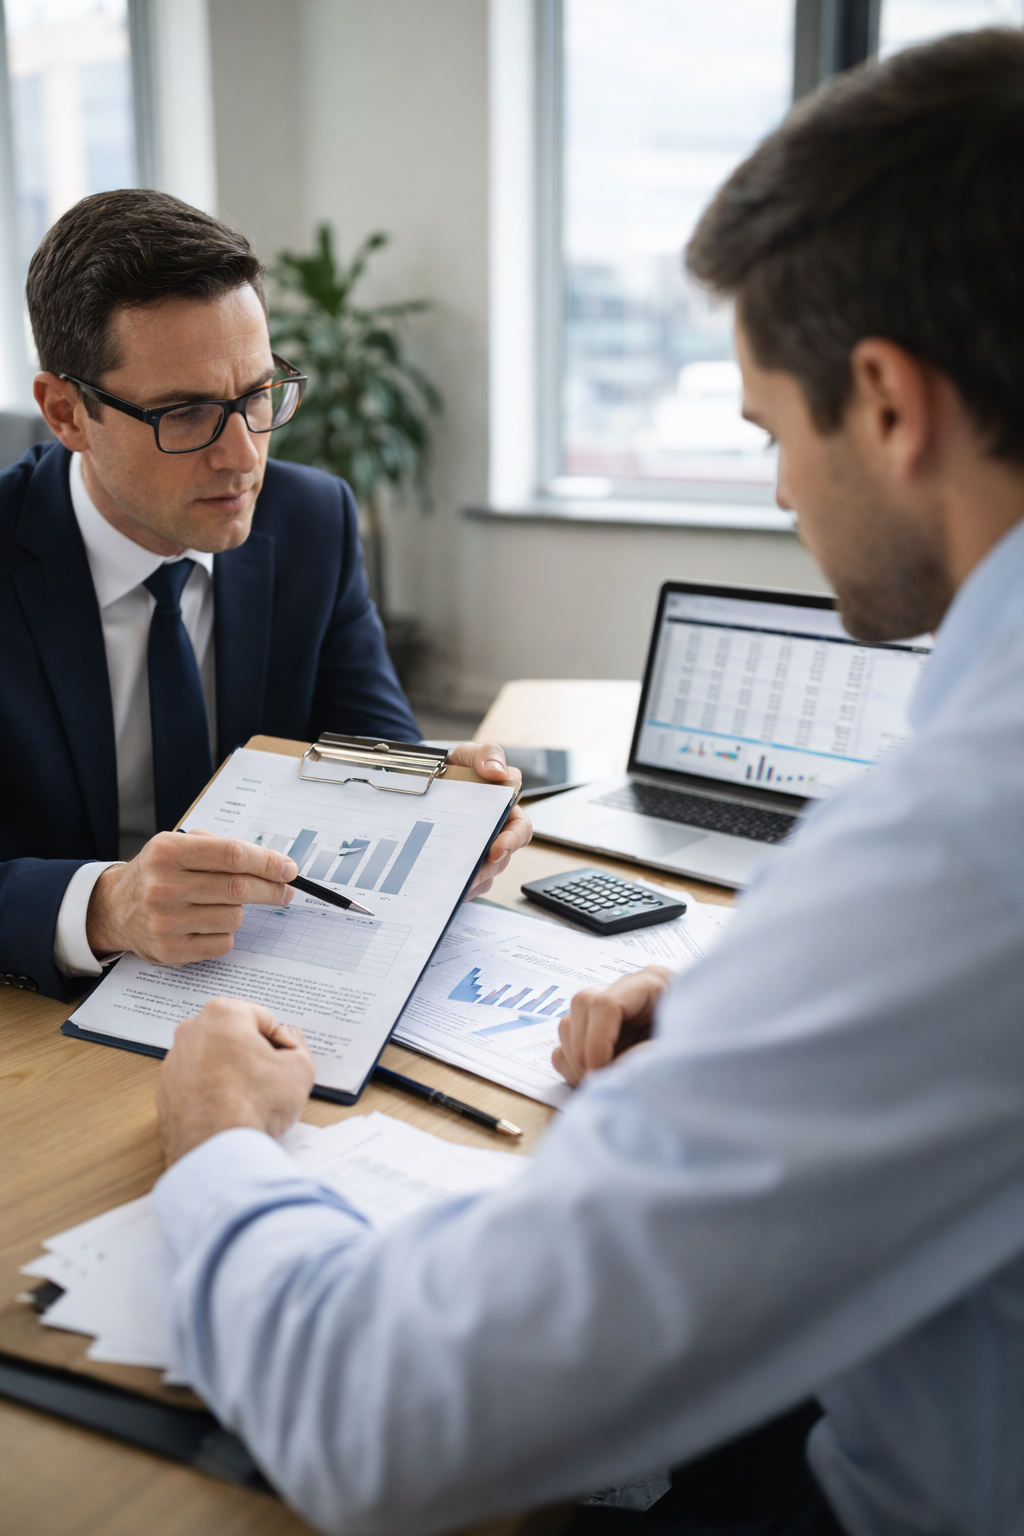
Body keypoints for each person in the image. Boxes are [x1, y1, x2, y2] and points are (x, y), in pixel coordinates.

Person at [153, 29, 1024, 1536]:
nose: (780, 490)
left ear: (889, 402)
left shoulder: (961, 843)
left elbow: (381, 1417)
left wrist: (219, 1139)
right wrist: (763, 1022)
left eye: (772, 430)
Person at [0, 190, 530, 1002]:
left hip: (271, 981)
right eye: (186, 413)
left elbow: (369, 741)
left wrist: (444, 802)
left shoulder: (312, 520)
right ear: (67, 413)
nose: (244, 456)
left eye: (256, 395)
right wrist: (105, 907)